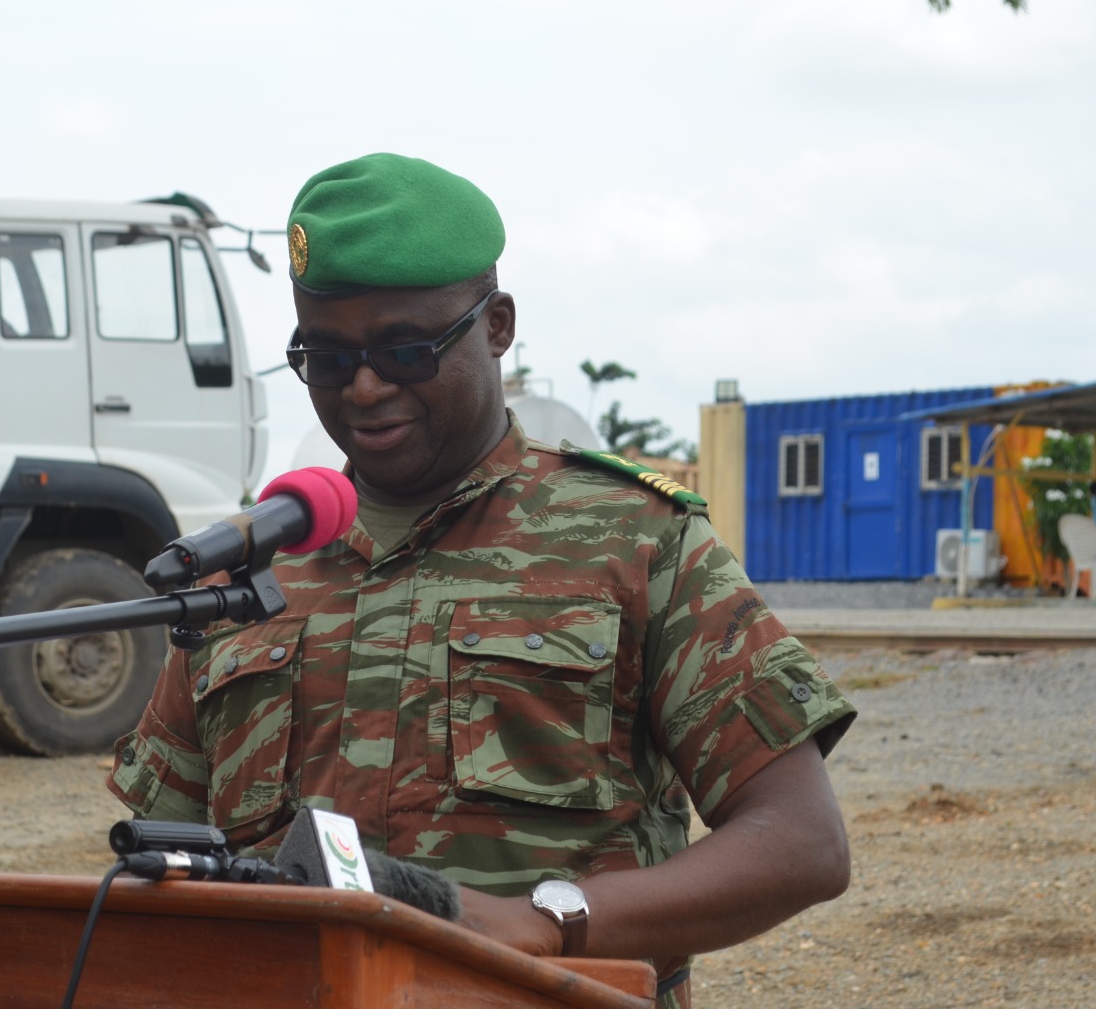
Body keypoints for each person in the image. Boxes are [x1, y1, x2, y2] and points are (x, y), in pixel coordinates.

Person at [110, 152, 856, 1007]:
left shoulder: (634, 538)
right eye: (325, 355)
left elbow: (801, 841)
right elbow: (163, 855)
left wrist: (547, 918)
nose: (363, 386)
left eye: (405, 348)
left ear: (496, 325)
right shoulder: (255, 567)